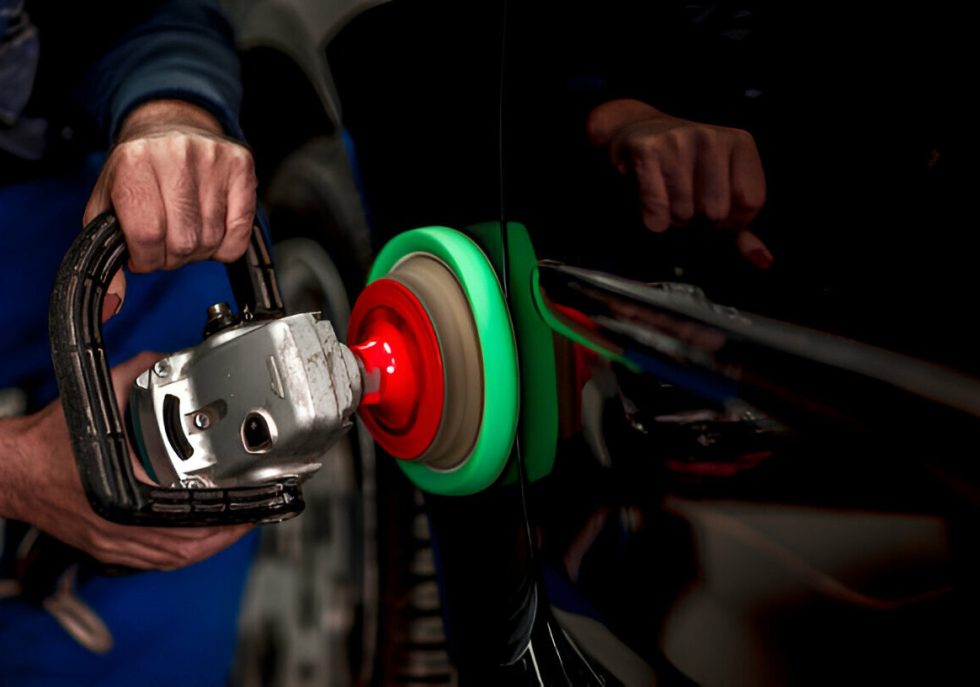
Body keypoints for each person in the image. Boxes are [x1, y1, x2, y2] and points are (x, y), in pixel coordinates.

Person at [0, 1, 261, 683]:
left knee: (192, 232)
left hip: (29, 200)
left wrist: (169, 109)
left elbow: (150, 15)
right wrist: (18, 469)